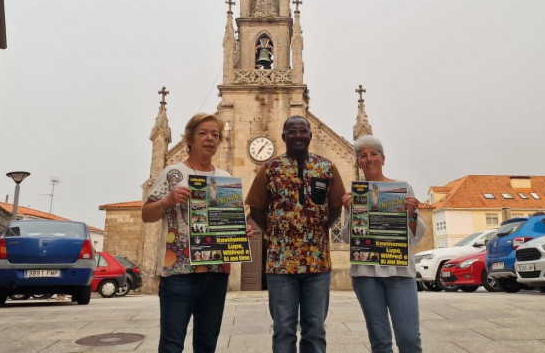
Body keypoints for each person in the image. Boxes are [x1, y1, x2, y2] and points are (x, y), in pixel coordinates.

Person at [142, 113, 253, 353]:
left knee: (207, 343)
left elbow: (227, 225)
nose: (209, 138)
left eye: (215, 134)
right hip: (179, 272)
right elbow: (146, 214)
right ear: (189, 139)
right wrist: (168, 201)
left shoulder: (224, 179)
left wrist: (240, 233)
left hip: (216, 273)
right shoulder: (173, 174)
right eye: (203, 133)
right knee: (172, 343)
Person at [246, 115, 345, 353]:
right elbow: (257, 209)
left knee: (315, 328)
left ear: (311, 135)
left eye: (303, 131)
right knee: (283, 328)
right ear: (284, 137)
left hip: (318, 264)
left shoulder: (327, 167)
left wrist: (318, 228)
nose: (298, 135)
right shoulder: (270, 169)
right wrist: (274, 231)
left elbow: (335, 207)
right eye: (292, 131)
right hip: (281, 265)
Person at [342, 135, 426, 353]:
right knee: (379, 342)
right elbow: (348, 239)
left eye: (374, 154)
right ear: (358, 162)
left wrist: (412, 214)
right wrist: (352, 211)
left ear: (383, 158)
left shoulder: (403, 189)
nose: (369, 159)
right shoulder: (355, 196)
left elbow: (415, 237)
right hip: (366, 276)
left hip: (400, 273)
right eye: (363, 156)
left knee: (409, 339)